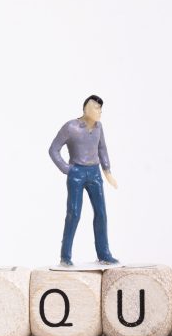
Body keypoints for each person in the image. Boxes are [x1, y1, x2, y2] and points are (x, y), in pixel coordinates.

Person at [49, 95, 119, 266]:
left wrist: (107, 171)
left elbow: (102, 149)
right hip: (77, 173)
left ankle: (104, 254)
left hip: (95, 173)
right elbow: (53, 149)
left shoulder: (99, 127)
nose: (100, 112)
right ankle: (65, 256)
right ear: (86, 109)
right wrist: (67, 169)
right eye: (96, 108)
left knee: (101, 213)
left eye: (101, 109)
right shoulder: (71, 127)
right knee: (73, 213)